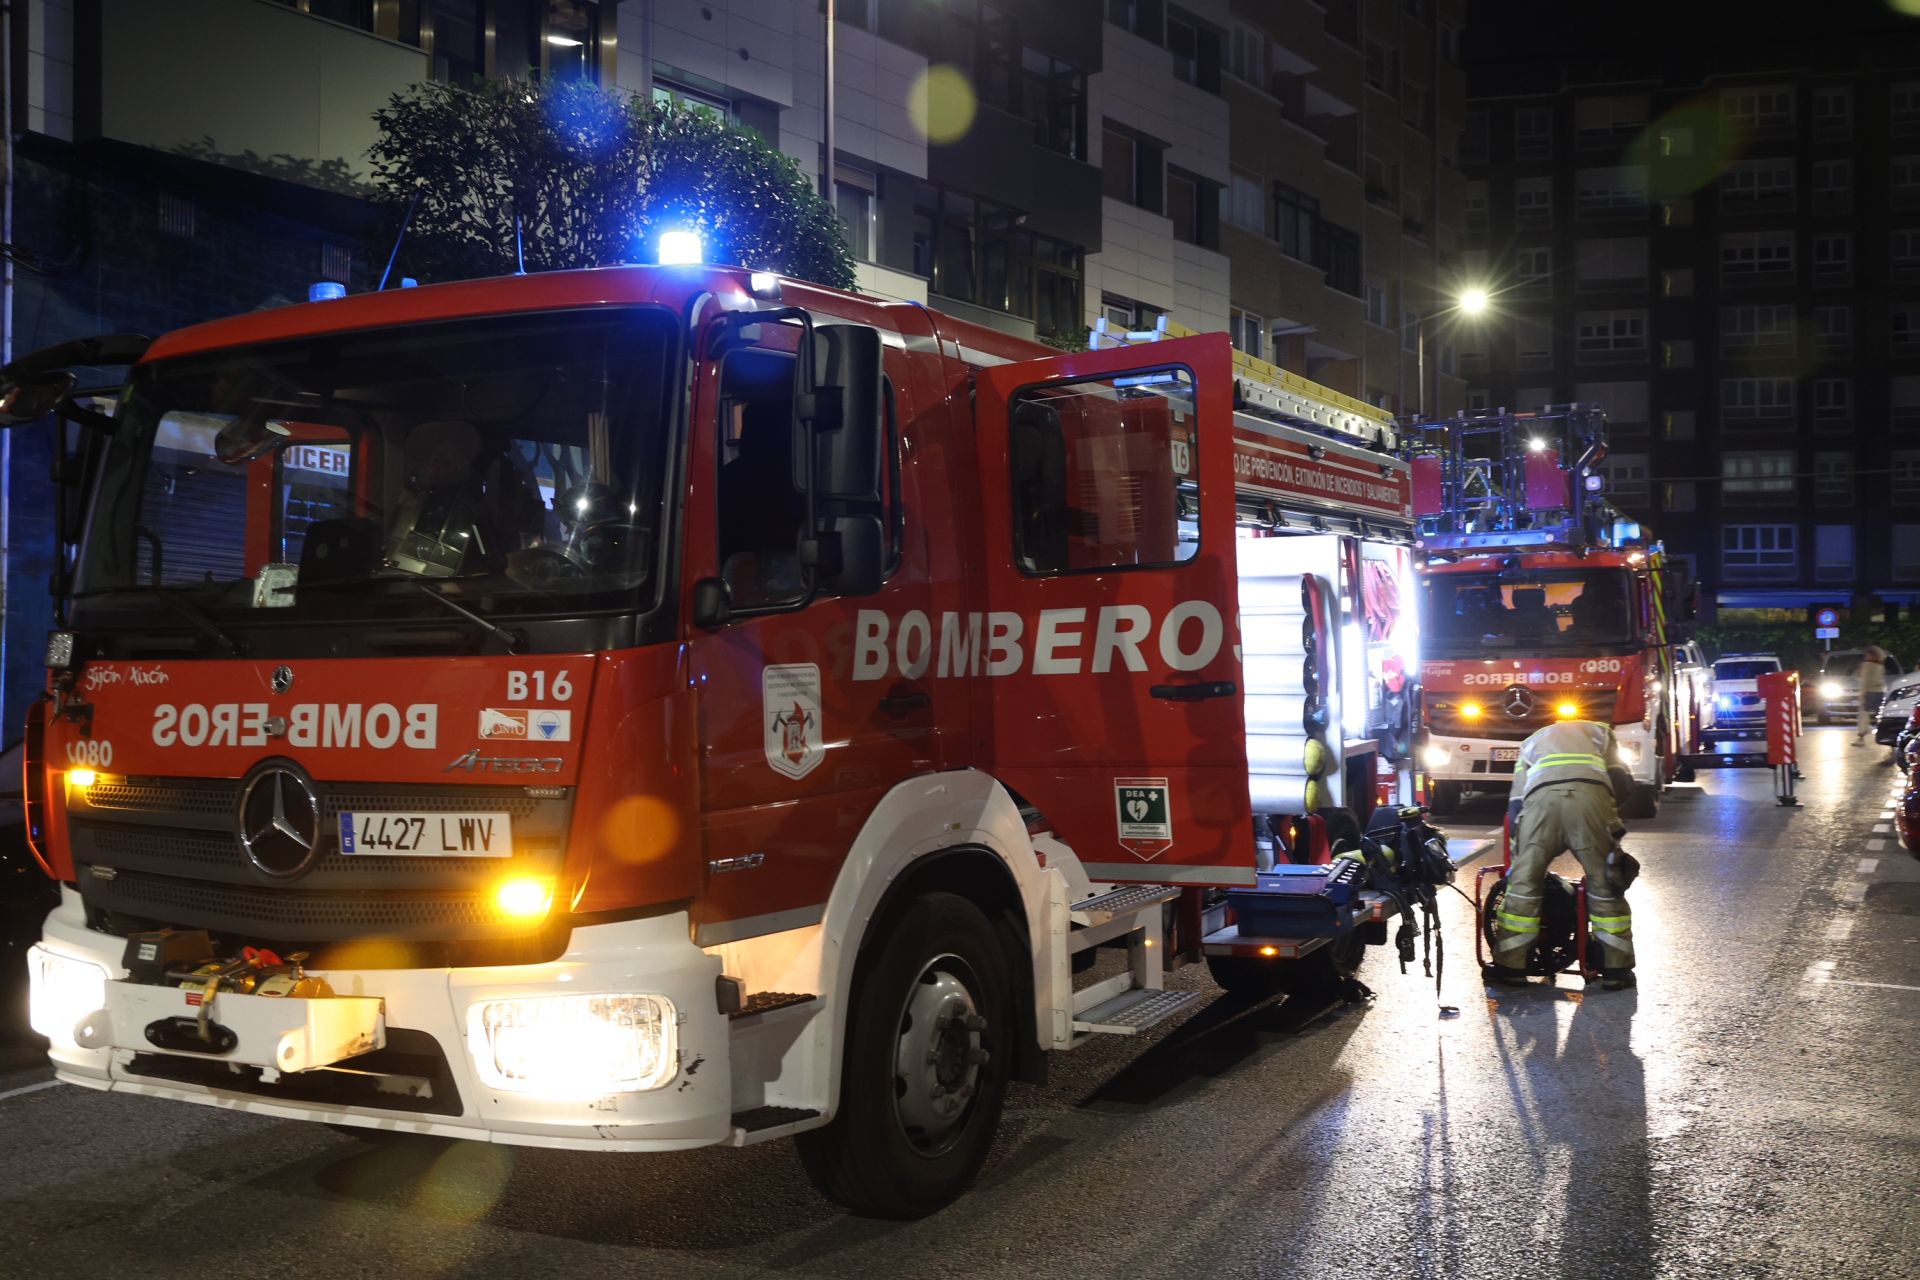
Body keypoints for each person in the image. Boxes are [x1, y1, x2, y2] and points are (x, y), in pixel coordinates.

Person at [1486, 718, 1639, 990]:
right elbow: (1623, 783)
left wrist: (1517, 861)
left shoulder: (1530, 743)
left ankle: (1511, 967)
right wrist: (1610, 819)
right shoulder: (1601, 734)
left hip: (1540, 805)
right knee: (1605, 884)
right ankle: (1615, 969)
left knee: (1523, 887)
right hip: (1590, 800)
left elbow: (1516, 805)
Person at [1856, 643, 1890, 746]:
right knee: (1880, 715)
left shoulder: (1868, 665)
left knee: (1864, 714)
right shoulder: (1880, 666)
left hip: (1870, 693)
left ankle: (1861, 737)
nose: (1866, 656)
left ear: (1872, 655)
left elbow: (1865, 681)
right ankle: (1888, 735)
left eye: (1868, 654)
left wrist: (1862, 694)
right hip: (1880, 692)